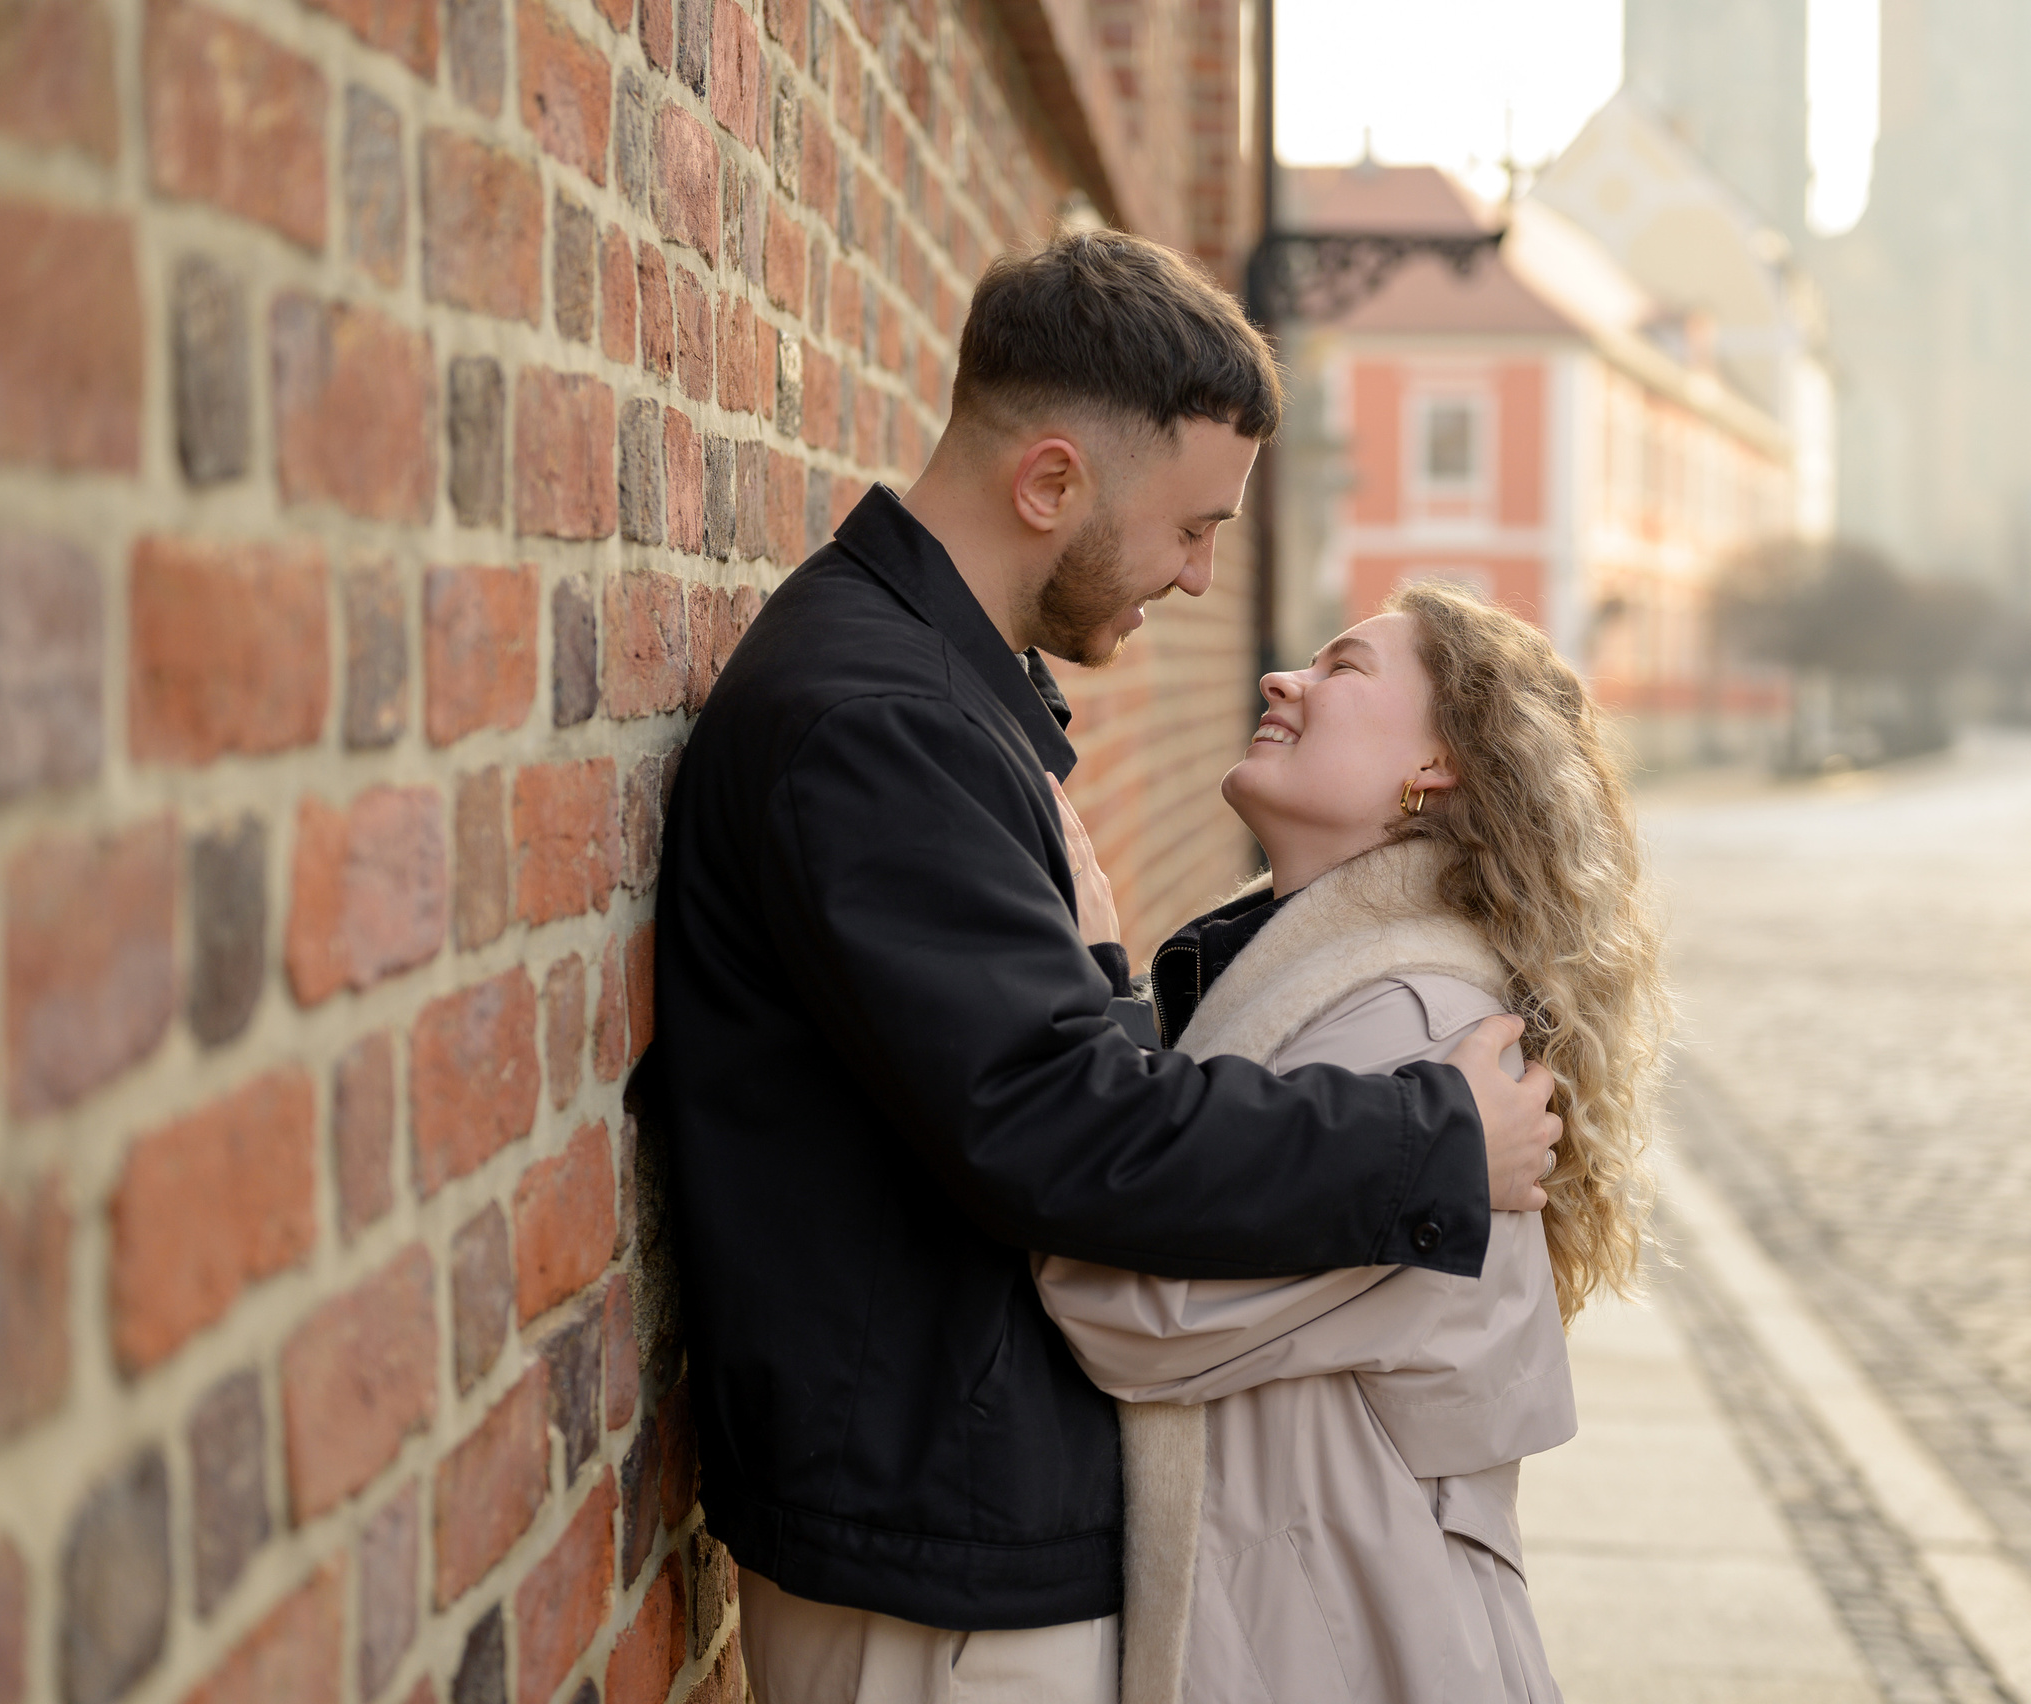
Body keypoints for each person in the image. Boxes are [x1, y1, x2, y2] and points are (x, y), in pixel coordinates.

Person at [641, 229, 1563, 1703]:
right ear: (1051, 484)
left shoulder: (937, 699)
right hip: (936, 1561)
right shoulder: (885, 725)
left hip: (960, 1518)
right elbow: (1061, 1124)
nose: (1202, 579)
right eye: (1191, 527)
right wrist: (1436, 1137)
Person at [1036, 584, 1666, 1704]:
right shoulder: (1330, 987)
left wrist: (1091, 993)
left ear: (1437, 765)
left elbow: (1125, 1302)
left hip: (1343, 1648)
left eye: (1344, 669)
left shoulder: (1413, 1028)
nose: (1282, 678)